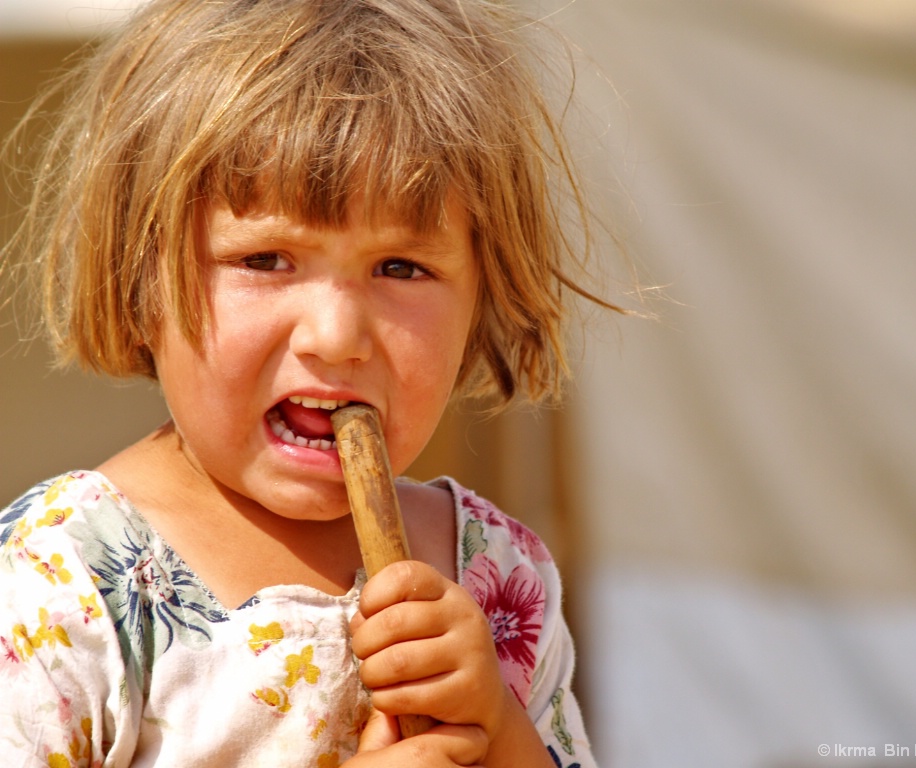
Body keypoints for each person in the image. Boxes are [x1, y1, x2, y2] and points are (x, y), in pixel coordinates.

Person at [0, 0, 614, 765]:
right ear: (140, 278)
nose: (336, 336)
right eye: (266, 260)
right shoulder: (61, 581)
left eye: (402, 268)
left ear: (482, 299)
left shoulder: (498, 574)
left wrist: (492, 721)